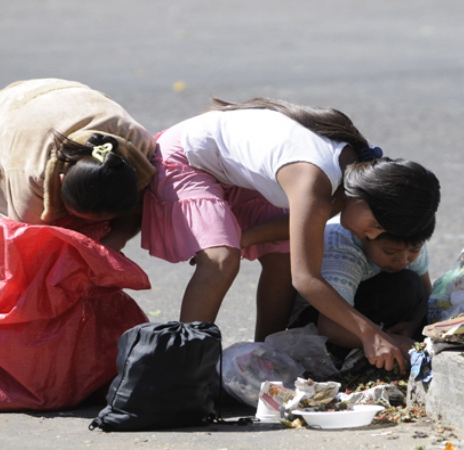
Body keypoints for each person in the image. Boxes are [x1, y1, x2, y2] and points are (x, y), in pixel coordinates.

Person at [141, 97, 440, 372]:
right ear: (368, 198)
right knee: (221, 259)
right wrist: (370, 334)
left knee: (284, 255)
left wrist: (246, 236)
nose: (373, 236)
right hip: (187, 158)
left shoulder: (361, 174)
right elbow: (307, 279)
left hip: (242, 174)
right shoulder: (314, 181)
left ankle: (262, 357)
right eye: (377, 224)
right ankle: (182, 367)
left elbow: (302, 226)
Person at [0, 78, 157, 251]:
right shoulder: (29, 174)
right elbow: (24, 245)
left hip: (62, 97)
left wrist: (113, 242)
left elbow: (141, 207)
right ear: (61, 182)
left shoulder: (140, 147)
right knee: (36, 247)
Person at [289, 216, 433, 362]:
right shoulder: (343, 253)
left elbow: (427, 293)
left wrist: (413, 323)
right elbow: (329, 327)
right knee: (406, 285)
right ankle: (348, 354)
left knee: (411, 284)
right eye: (389, 252)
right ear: (366, 236)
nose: (402, 260)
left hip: (361, 302)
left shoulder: (411, 238)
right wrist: (392, 341)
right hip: (316, 318)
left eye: (414, 250)